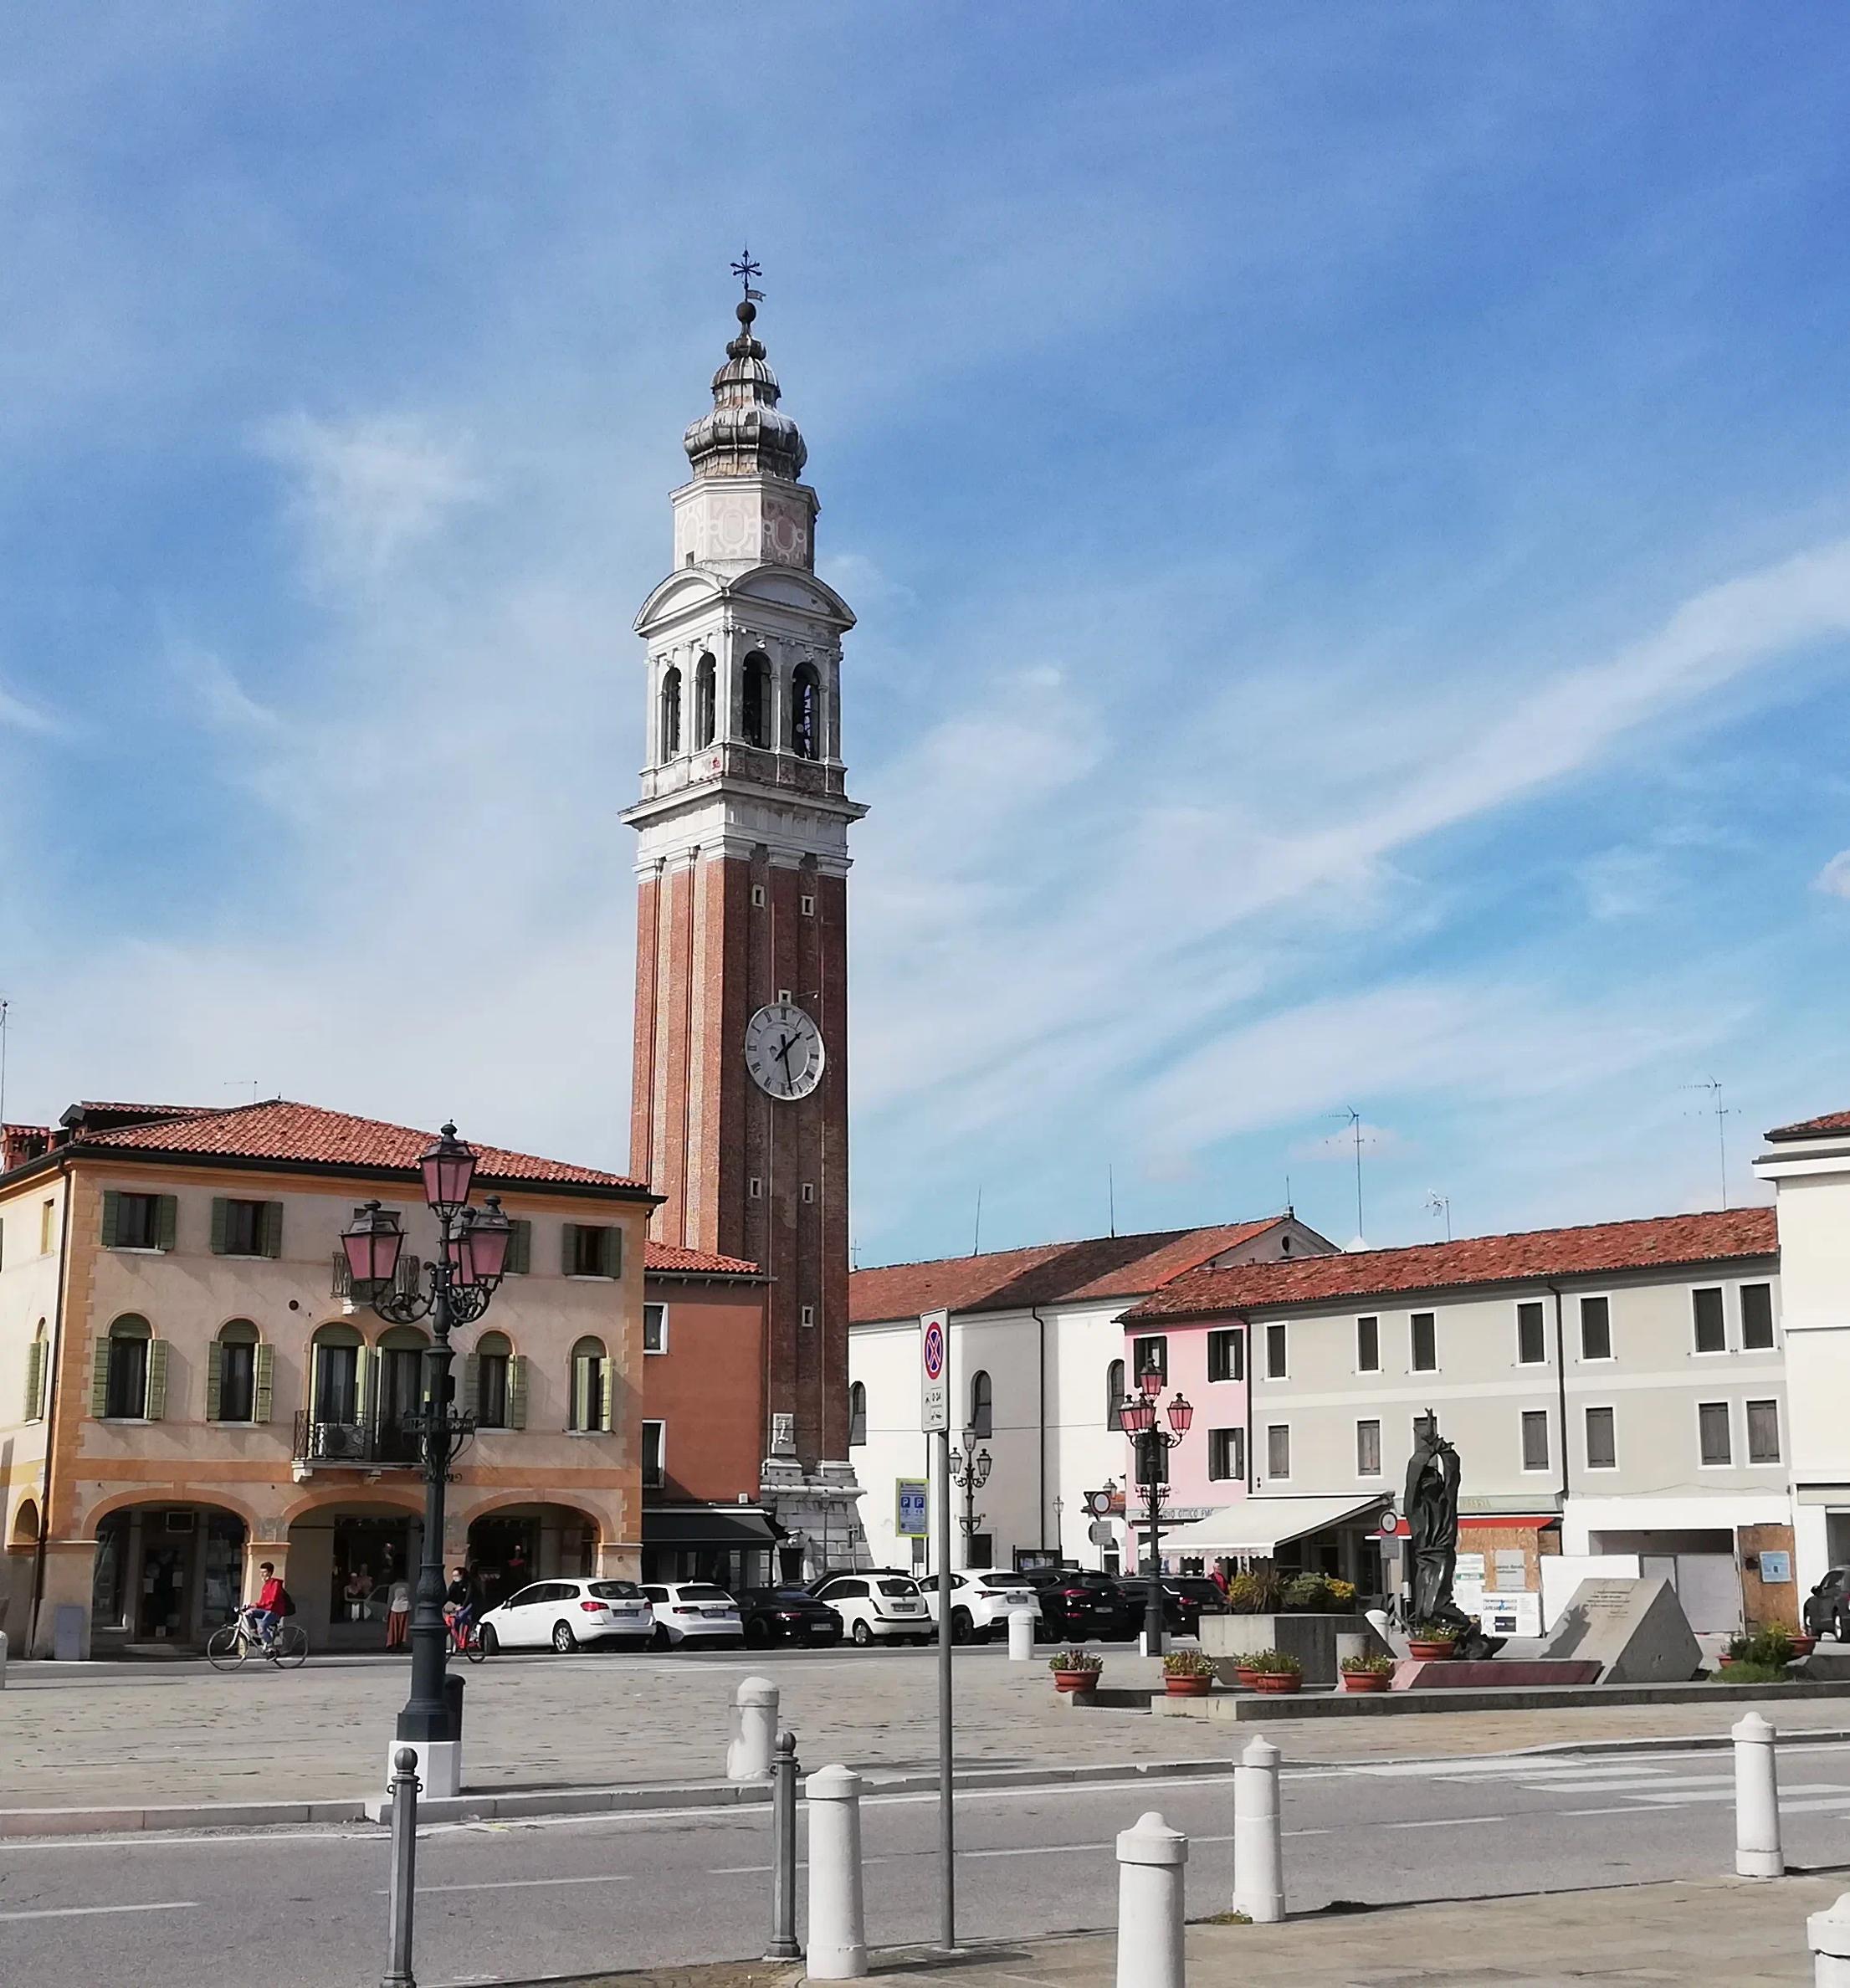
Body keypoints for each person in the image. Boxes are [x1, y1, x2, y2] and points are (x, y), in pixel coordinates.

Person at [245, 1561, 285, 1647]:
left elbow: (272, 1600)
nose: (262, 1574)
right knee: (249, 1613)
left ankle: (271, 1647)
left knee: (261, 1628)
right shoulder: (265, 1585)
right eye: (261, 1572)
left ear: (270, 1573)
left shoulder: (276, 1584)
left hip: (274, 1611)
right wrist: (252, 1606)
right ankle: (256, 1637)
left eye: (264, 1572)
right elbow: (262, 1602)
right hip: (265, 1610)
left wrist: (258, 1605)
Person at [443, 1565, 476, 1650]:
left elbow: (469, 1596)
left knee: (462, 1616)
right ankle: (457, 1644)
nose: (455, 1578)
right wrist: (441, 1605)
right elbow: (449, 1594)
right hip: (461, 1604)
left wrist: (463, 1606)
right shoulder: (455, 1584)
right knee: (455, 1622)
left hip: (471, 1603)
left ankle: (470, 1635)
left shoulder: (468, 1583)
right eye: (453, 1576)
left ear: (462, 1575)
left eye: (456, 1576)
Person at [385, 1576, 411, 1651]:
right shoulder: (407, 1586)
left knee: (394, 1627)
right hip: (405, 1607)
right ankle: (401, 1642)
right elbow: (409, 1596)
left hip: (395, 1607)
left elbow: (390, 1599)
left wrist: (387, 1611)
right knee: (402, 1627)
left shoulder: (393, 1586)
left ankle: (393, 1642)